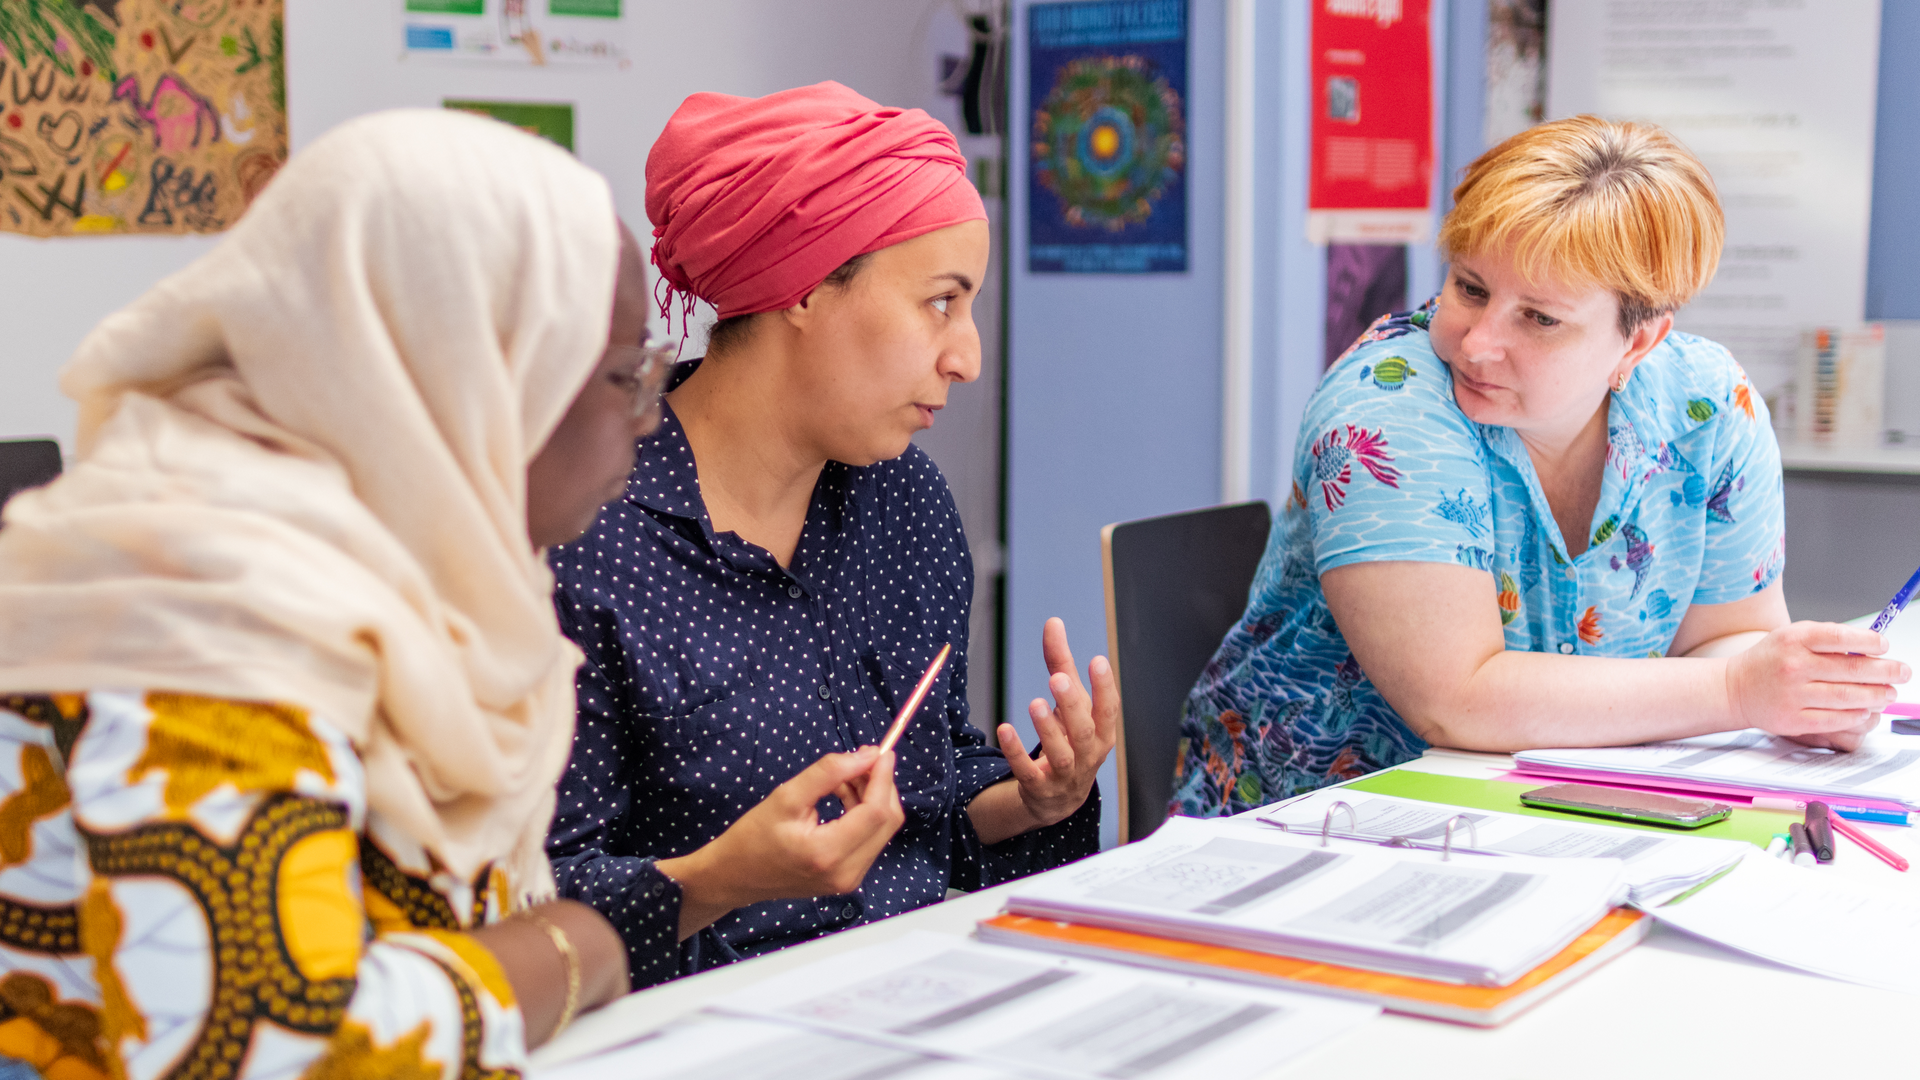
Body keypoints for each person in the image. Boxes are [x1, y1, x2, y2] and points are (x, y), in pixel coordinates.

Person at [0, 109, 905, 1078]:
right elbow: (280, 1049)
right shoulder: (202, 605)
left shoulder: (417, 580)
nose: (648, 424)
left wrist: (657, 906)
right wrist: (580, 948)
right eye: (622, 377)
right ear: (472, 374)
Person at [1170, 115, 1910, 817]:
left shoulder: (1707, 406)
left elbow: (1727, 635)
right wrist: (1737, 690)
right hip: (1313, 822)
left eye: (1540, 318)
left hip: (1555, 812)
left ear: (1638, 343)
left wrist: (1801, 690)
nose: (1476, 344)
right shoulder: (1386, 407)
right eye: (1470, 287)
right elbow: (1457, 698)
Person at [547, 82, 1115, 983]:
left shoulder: (904, 501)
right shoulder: (586, 532)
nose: (966, 357)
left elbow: (924, 805)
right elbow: (530, 904)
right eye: (941, 302)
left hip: (923, 989)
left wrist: (1032, 801)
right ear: (805, 288)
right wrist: (715, 881)